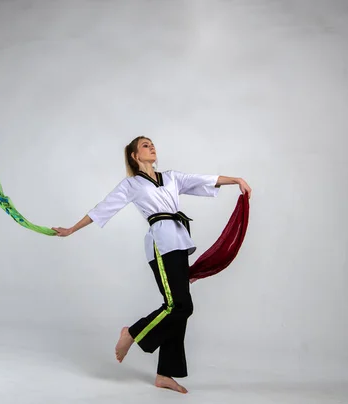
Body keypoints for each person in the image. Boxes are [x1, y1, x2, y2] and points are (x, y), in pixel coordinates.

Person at [52, 136, 251, 394]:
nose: (152, 147)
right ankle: (132, 333)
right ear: (135, 156)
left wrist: (237, 180)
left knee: (180, 308)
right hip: (161, 243)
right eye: (145, 145)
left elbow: (204, 180)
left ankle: (164, 374)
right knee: (177, 305)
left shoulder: (171, 177)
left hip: (180, 241)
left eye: (152, 144)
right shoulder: (132, 184)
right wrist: (71, 230)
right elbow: (102, 209)